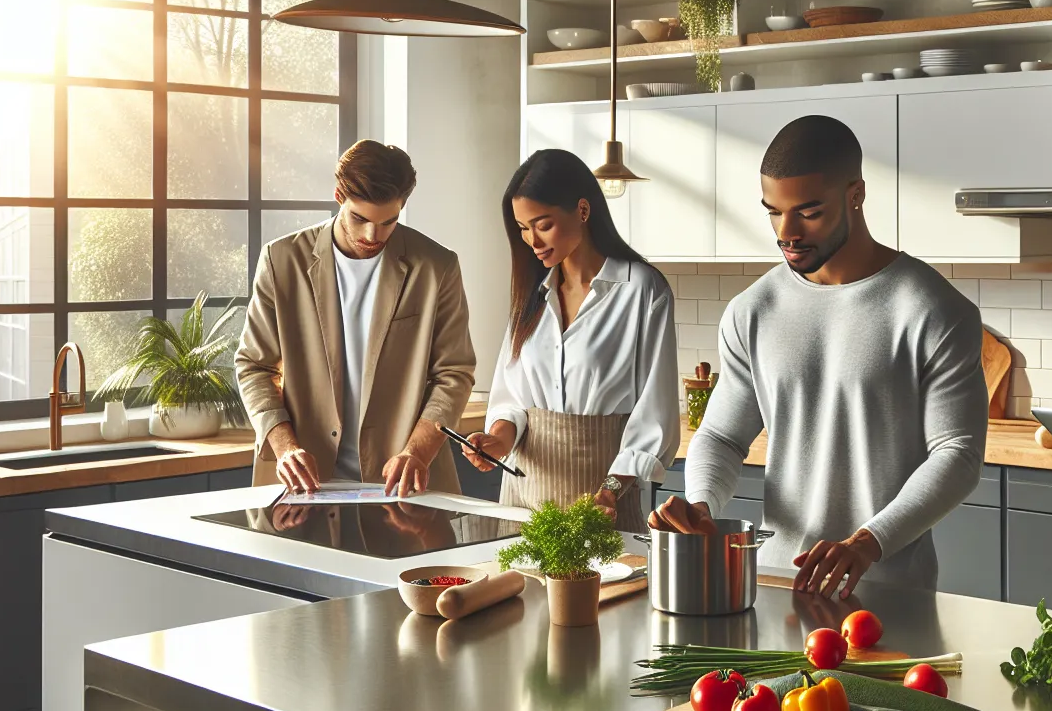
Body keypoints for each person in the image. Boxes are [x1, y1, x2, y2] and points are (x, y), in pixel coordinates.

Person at [671, 115, 987, 599]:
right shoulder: (752, 311)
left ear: (855, 194)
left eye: (809, 211)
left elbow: (958, 454)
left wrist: (866, 542)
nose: (787, 232)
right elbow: (720, 435)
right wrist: (701, 504)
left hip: (889, 590)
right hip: (776, 582)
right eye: (773, 212)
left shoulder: (933, 310)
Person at [235, 139, 475, 497]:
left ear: (402, 206)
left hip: (403, 482)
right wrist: (285, 447)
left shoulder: (437, 266)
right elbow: (255, 366)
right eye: (359, 218)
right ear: (338, 196)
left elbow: (453, 373)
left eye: (388, 222)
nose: (372, 235)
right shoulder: (281, 260)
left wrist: (417, 452)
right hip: (304, 484)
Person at [461, 149, 679, 528]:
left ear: (582, 210)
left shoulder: (642, 289)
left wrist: (609, 491)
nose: (531, 240)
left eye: (542, 224)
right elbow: (512, 399)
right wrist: (497, 441)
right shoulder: (532, 294)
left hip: (604, 505)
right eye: (522, 228)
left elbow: (655, 419)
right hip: (523, 506)